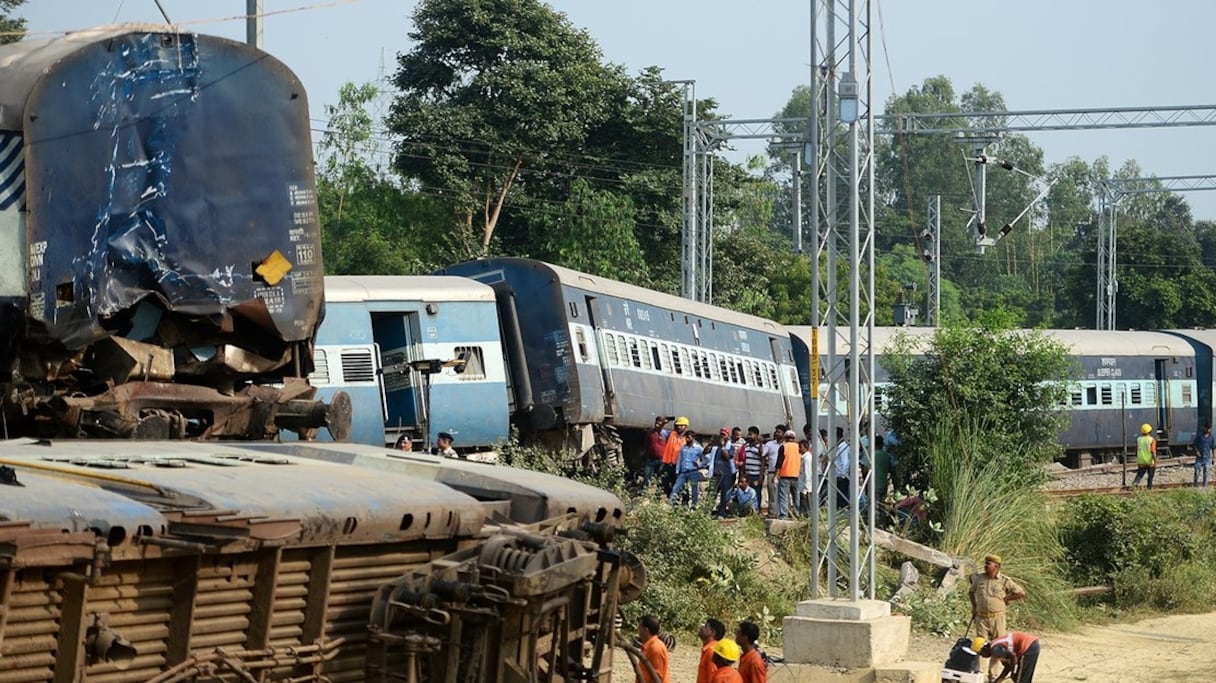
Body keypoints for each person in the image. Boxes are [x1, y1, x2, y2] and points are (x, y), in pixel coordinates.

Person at [969, 553, 1027, 681]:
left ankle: (993, 676)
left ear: (996, 566)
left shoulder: (1004, 580)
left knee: (997, 646)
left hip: (998, 617)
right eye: (985, 563)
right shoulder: (979, 579)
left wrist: (1007, 598)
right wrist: (974, 607)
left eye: (988, 564)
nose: (985, 566)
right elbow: (971, 592)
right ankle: (979, 674)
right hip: (981, 617)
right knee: (980, 646)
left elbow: (1021, 593)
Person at [669, 430, 707, 506]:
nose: (687, 439)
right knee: (675, 488)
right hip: (684, 471)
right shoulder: (683, 448)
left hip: (693, 471)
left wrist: (700, 465)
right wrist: (677, 471)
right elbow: (680, 459)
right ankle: (672, 504)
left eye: (689, 438)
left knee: (694, 489)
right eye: (686, 437)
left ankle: (694, 505)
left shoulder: (698, 448)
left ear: (693, 438)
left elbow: (705, 459)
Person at [660, 417, 690, 496]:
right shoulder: (671, 434)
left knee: (682, 485)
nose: (679, 427)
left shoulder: (688, 438)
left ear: (686, 426)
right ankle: (672, 497)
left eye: (681, 425)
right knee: (664, 482)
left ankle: (685, 503)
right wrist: (663, 423)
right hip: (668, 464)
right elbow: (660, 432)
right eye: (678, 425)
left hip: (680, 466)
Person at [710, 432, 737, 517]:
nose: (722, 436)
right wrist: (711, 443)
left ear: (728, 437)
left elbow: (727, 457)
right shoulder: (715, 447)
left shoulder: (731, 447)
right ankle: (707, 511)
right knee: (712, 493)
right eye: (721, 434)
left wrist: (722, 447)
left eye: (724, 435)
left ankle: (721, 512)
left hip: (726, 474)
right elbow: (705, 452)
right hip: (716, 473)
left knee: (724, 495)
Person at [637, 615, 669, 683]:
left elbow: (657, 678)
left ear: (646, 630)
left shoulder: (656, 648)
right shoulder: (648, 646)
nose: (638, 630)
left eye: (640, 627)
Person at [775, 431, 800, 518]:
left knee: (783, 497)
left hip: (785, 475)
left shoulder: (783, 447)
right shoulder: (799, 447)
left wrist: (776, 475)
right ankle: (797, 514)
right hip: (796, 475)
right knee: (796, 497)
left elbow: (779, 462)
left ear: (785, 438)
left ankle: (783, 515)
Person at [697, 618, 726, 683]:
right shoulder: (709, 649)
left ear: (712, 632)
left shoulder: (711, 651)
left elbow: (714, 677)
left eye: (705, 626)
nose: (701, 628)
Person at [643, 417, 668, 491]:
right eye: (657, 421)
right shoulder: (650, 433)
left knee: (661, 477)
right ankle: (645, 492)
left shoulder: (666, 434)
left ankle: (659, 493)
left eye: (660, 422)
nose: (658, 423)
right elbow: (647, 444)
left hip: (662, 459)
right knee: (647, 476)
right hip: (651, 459)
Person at [1131, 423, 1157, 489]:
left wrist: (1138, 457)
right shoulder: (1151, 440)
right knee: (1150, 476)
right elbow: (1153, 451)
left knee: (1139, 474)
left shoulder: (1138, 439)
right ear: (1150, 431)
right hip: (1150, 461)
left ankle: (1134, 484)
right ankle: (1149, 488)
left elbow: (1136, 450)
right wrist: (1155, 460)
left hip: (1141, 461)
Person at [1194, 423, 1214, 488]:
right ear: (1204, 428)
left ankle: (1205, 486)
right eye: (1207, 428)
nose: (1208, 430)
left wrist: (1214, 458)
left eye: (1209, 429)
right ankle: (1195, 486)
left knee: (1206, 471)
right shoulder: (1199, 436)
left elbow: (1213, 448)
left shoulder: (1211, 438)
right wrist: (1197, 451)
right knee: (1197, 471)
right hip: (1199, 458)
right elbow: (1195, 445)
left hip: (1207, 458)